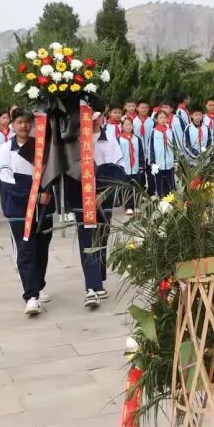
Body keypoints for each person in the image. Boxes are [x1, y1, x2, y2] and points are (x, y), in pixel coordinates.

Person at [0, 110, 54, 317]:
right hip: (19, 208)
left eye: (27, 122)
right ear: (12, 124)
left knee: (42, 248)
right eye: (19, 122)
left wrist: (46, 192)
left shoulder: (40, 147)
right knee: (26, 249)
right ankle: (31, 296)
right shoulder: (5, 148)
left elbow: (50, 172)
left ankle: (38, 283)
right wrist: (33, 195)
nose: (23, 126)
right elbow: (6, 177)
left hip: (44, 207)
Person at [76, 116, 124, 309]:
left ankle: (99, 278)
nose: (92, 119)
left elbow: (119, 173)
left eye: (95, 115)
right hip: (81, 200)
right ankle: (92, 287)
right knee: (87, 241)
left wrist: (104, 195)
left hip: (104, 199)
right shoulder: (75, 141)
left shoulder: (110, 141)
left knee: (101, 238)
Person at [148, 109, 182, 196]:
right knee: (160, 184)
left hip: (169, 163)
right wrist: (152, 162)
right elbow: (151, 148)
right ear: (156, 119)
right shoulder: (154, 132)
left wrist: (175, 160)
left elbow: (174, 146)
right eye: (160, 118)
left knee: (170, 184)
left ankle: (172, 203)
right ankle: (161, 202)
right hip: (159, 164)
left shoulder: (170, 131)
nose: (163, 120)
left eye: (164, 118)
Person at [117, 116, 145, 215]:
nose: (128, 127)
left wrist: (141, 166)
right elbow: (117, 155)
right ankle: (128, 206)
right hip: (125, 168)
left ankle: (136, 206)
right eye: (126, 125)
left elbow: (141, 153)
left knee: (136, 187)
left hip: (136, 167)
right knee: (127, 188)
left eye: (130, 125)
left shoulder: (137, 139)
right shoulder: (119, 140)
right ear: (122, 126)